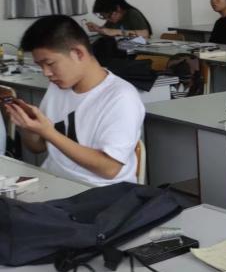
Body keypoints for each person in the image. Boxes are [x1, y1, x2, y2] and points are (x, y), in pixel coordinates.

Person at [5, 16, 144, 185]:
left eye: (50, 63)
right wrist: (27, 126)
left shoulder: (121, 97)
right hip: (55, 182)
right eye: (41, 66)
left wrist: (49, 132)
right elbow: (37, 147)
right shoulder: (58, 87)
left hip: (100, 191)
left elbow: (109, 169)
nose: (46, 73)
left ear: (78, 53)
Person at [86, 0, 151, 38]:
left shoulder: (132, 13)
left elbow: (145, 34)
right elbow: (107, 31)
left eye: (109, 16)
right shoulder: (111, 18)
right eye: (104, 17)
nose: (108, 20)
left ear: (118, 8)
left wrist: (115, 31)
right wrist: (98, 29)